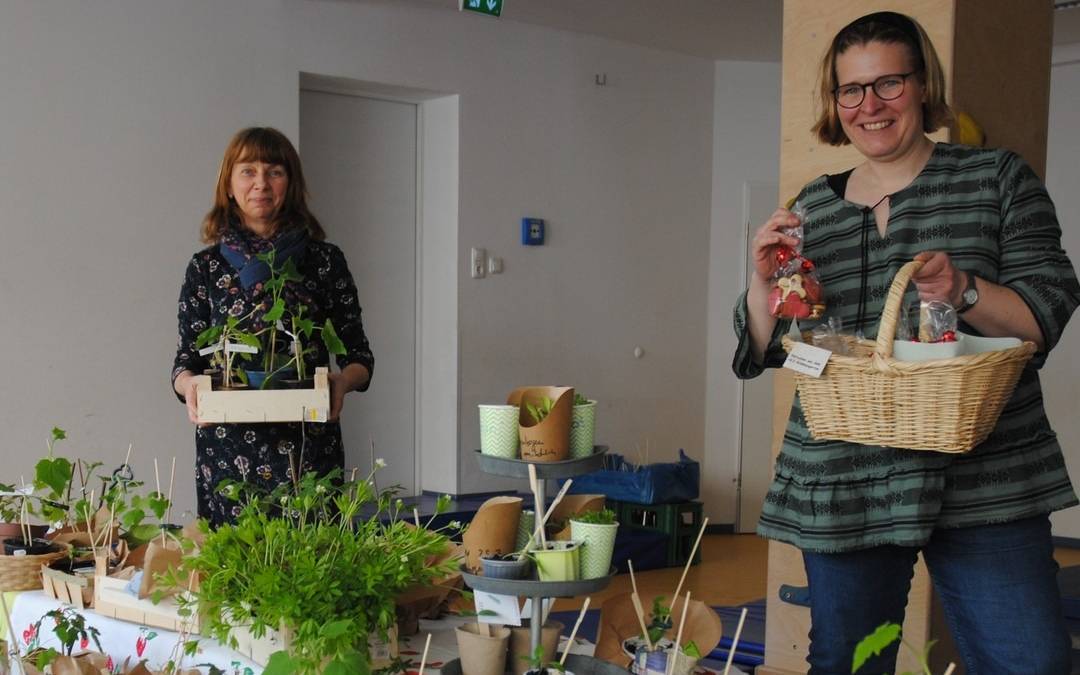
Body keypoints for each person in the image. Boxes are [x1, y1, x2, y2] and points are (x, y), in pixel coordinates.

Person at [733, 11, 1080, 675]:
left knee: (1028, 662)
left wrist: (965, 287)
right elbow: (773, 347)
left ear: (923, 85)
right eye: (851, 90)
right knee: (847, 662)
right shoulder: (813, 206)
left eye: (888, 83)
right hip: (841, 474)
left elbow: (1047, 311)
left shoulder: (996, 178)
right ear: (835, 103)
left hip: (985, 471)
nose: (870, 105)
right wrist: (760, 284)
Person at [172, 127, 374, 527]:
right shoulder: (206, 267)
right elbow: (185, 359)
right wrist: (190, 387)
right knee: (234, 571)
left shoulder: (324, 261)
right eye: (247, 171)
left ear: (291, 182)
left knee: (314, 571)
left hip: (308, 447)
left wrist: (341, 382)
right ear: (229, 185)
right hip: (227, 452)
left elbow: (360, 356)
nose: (261, 183)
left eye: (274, 171)